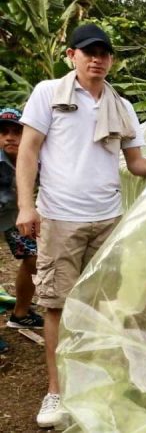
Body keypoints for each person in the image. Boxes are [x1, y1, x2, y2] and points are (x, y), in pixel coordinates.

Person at [16, 23, 146, 428]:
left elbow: (136, 163)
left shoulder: (121, 107)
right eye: (88, 51)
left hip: (108, 220)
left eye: (104, 53)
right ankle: (56, 392)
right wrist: (26, 206)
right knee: (55, 305)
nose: (97, 59)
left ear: (110, 59)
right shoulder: (48, 95)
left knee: (106, 304)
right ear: (71, 55)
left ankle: (101, 380)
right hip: (59, 218)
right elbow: (29, 151)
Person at [0, 108, 43, 334]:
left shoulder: (35, 157)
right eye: (4, 132)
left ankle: (21, 313)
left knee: (34, 258)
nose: (9, 137)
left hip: (12, 217)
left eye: (16, 132)